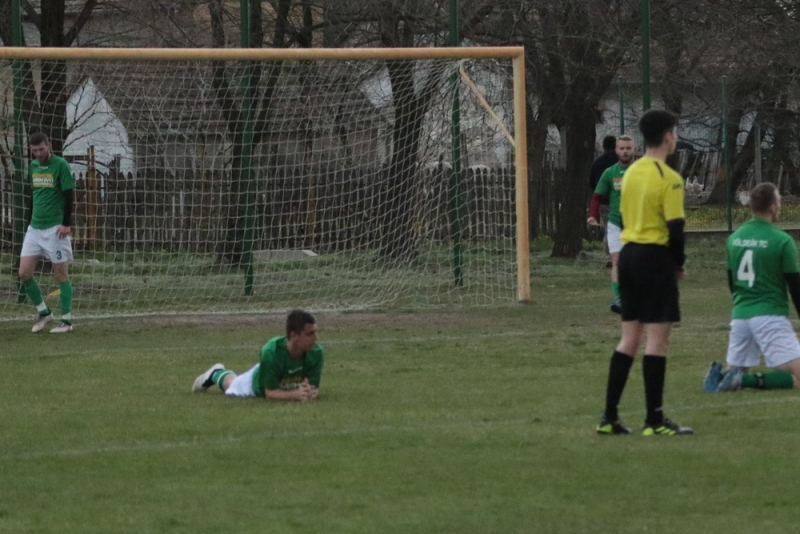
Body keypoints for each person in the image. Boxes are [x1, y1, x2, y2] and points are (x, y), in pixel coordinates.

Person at [596, 109, 693, 436]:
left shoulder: (631, 173)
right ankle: (654, 420)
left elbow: (621, 214)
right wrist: (678, 263)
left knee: (629, 338)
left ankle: (609, 416)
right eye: (675, 132)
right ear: (667, 137)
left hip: (628, 256)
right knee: (657, 342)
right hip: (654, 258)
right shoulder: (669, 178)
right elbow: (675, 229)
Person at [703, 182, 800, 393]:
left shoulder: (734, 239)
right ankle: (744, 381)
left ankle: (722, 376)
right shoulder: (782, 240)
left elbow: (732, 282)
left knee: (736, 371)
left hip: (740, 316)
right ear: (773, 206)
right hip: (770, 315)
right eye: (780, 201)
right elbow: (795, 286)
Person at [192, 309, 324, 401]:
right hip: (253, 385)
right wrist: (295, 394)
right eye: (310, 334)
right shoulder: (271, 353)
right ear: (293, 335)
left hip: (283, 382)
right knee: (230, 385)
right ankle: (216, 373)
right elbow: (269, 393)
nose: (315, 338)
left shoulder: (316, 353)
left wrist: (309, 391)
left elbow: (313, 387)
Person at [19, 132, 76, 334]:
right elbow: (34, 196)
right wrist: (29, 224)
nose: (38, 153)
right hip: (35, 228)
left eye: (41, 149)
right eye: (34, 151)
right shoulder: (33, 166)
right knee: (24, 273)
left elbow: (69, 194)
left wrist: (66, 223)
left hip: (55, 228)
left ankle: (67, 321)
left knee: (60, 274)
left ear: (49, 145)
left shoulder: (60, 165)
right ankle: (44, 312)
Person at [588, 135, 636, 314]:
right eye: (622, 148)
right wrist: (592, 215)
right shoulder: (610, 173)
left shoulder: (641, 171)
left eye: (628, 148)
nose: (625, 151)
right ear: (616, 150)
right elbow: (597, 196)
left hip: (637, 224)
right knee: (616, 260)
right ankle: (619, 300)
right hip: (615, 223)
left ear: (634, 150)